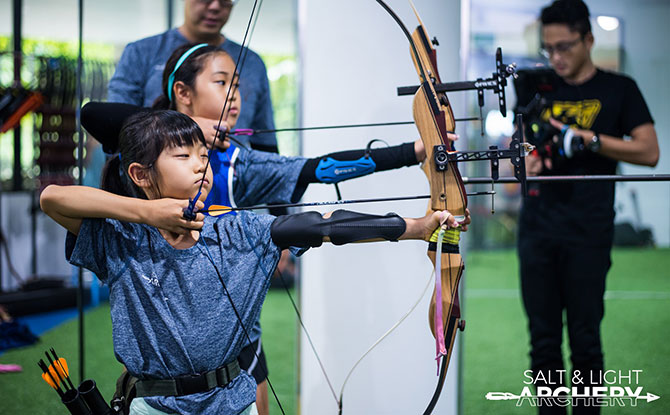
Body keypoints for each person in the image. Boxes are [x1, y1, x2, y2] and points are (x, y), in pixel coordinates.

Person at [82, 43, 440, 414]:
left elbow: (318, 169)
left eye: (238, 86)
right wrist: (189, 128)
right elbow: (92, 115)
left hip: (234, 334)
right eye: (222, 83)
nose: (235, 97)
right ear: (183, 93)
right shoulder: (148, 149)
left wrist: (415, 152)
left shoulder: (239, 162)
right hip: (162, 334)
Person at [515, 1, 659, 414]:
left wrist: (589, 139)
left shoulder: (619, 89)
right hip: (537, 231)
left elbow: (649, 152)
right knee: (542, 342)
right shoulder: (533, 87)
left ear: (588, 39)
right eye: (549, 49)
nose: (556, 58)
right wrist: (528, 161)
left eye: (565, 47)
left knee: (585, 341)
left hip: (589, 232)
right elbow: (517, 155)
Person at [108, 0, 277, 152]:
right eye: (220, 81)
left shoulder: (253, 63)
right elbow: (112, 122)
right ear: (182, 92)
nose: (215, 6)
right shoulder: (141, 52)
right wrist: (186, 126)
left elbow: (264, 141)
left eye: (225, 0)